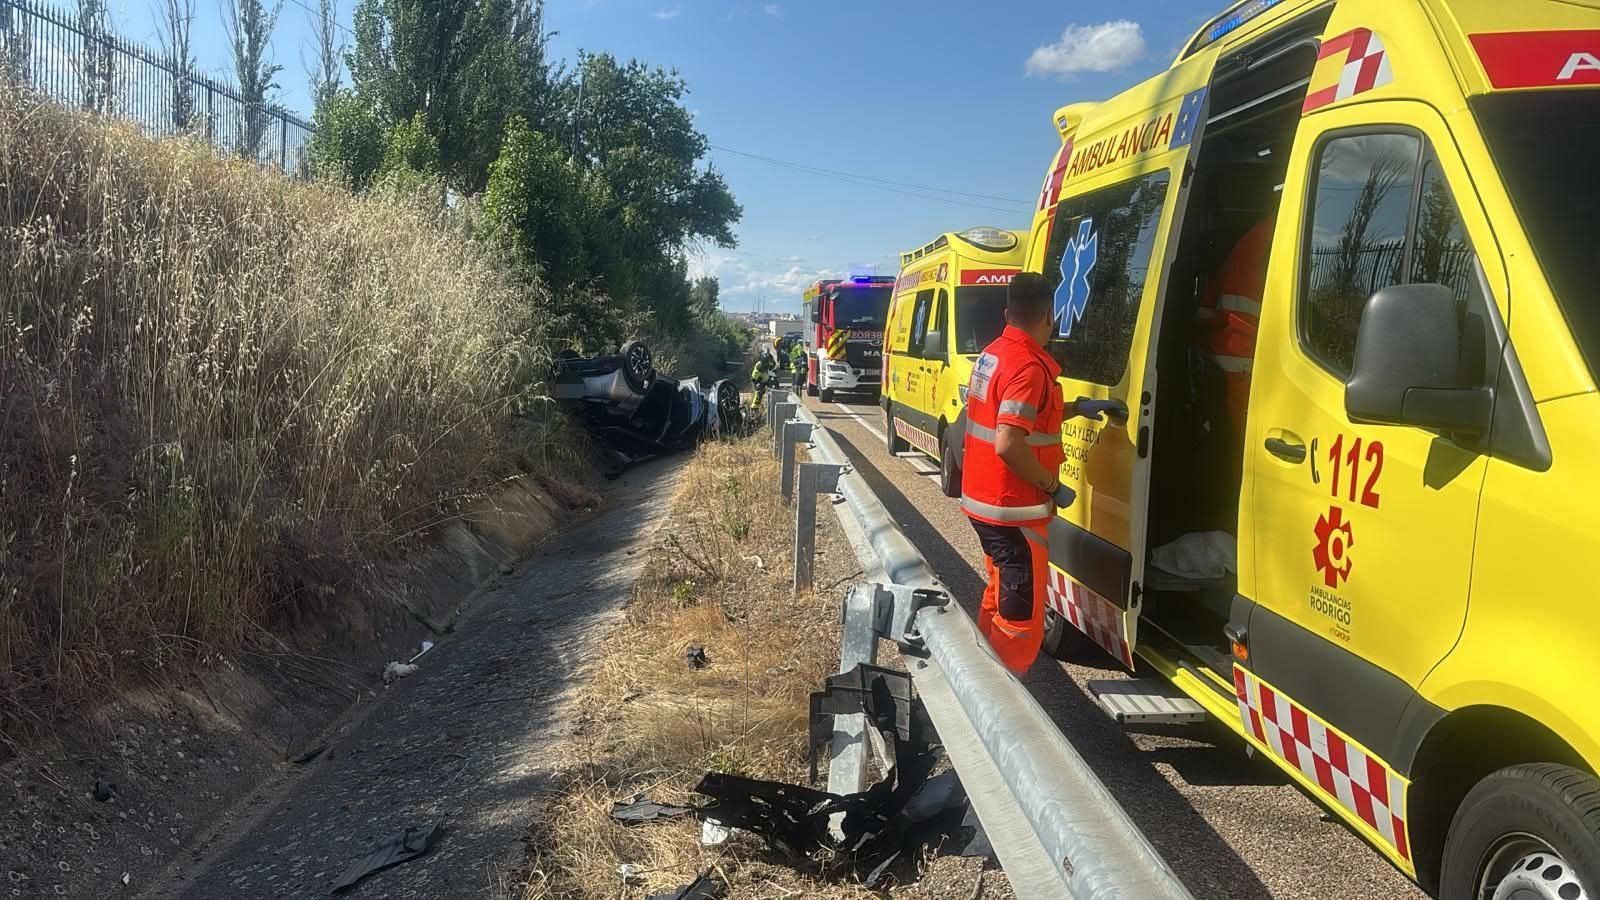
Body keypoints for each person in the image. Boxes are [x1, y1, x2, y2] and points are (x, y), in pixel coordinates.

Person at [960, 272, 1116, 673]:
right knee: (1022, 615)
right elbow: (1010, 442)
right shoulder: (1029, 367)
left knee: (1000, 593)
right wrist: (1053, 486)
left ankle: (981, 673)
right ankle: (1003, 701)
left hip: (984, 503)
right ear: (1051, 314)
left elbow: (1021, 416)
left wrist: (1075, 408)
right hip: (1015, 508)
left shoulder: (994, 354)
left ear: (1007, 312)